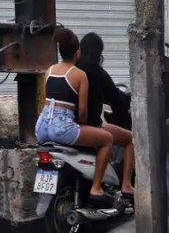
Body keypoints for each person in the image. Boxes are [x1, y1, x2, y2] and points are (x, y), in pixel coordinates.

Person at [35, 27, 114, 204]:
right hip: (62, 128)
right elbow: (83, 112)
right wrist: (83, 125)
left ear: (60, 51)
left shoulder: (49, 71)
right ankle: (96, 188)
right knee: (108, 139)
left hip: (42, 127)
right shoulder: (79, 75)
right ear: (77, 52)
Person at [77, 32, 135, 197]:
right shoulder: (97, 72)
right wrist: (126, 104)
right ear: (98, 53)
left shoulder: (72, 69)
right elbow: (116, 98)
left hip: (70, 125)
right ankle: (126, 185)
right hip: (90, 126)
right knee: (129, 139)